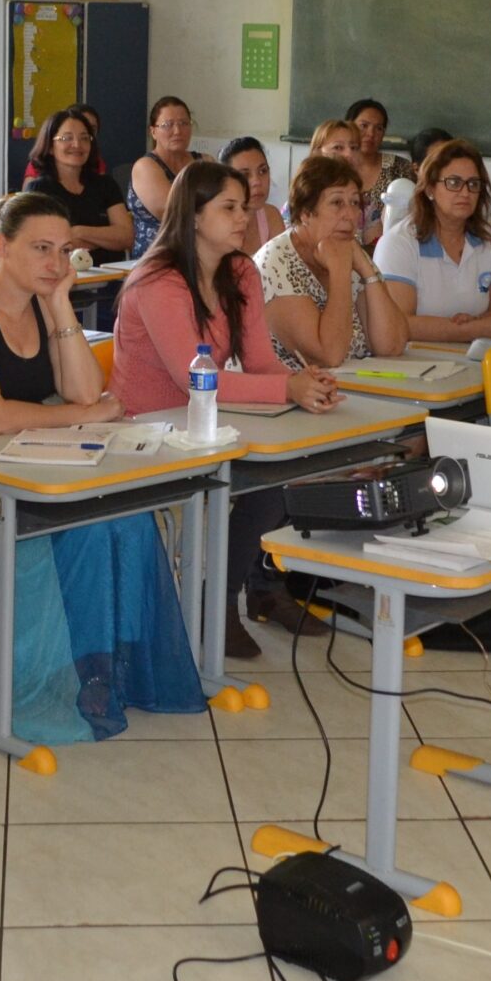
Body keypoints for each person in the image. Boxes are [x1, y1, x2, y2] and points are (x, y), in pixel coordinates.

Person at [0, 193, 202, 742]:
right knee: (64, 539)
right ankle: (50, 677)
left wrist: (62, 303)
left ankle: (105, 671)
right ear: (0, 246)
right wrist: (83, 415)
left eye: (64, 251)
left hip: (31, 462)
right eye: (41, 249)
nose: (56, 263)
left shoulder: (47, 299)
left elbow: (84, 389)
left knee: (125, 521)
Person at [115, 162, 343, 653]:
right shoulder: (157, 280)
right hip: (148, 433)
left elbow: (260, 360)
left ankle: (220, 598)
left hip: (208, 425)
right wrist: (287, 391)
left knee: (272, 483)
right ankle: (210, 605)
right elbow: (194, 378)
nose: (244, 217)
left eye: (246, 206)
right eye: (229, 208)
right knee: (245, 484)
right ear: (193, 216)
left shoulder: (240, 270)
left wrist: (304, 383)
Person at [257, 155, 409, 369]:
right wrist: (340, 271)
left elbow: (391, 345)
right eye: (337, 203)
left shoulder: (348, 250)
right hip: (289, 397)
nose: (350, 215)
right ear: (305, 213)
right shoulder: (275, 262)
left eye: (355, 203)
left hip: (354, 389)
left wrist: (367, 271)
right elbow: (328, 356)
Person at [374, 137, 491, 344]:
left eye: (473, 184)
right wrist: (474, 329)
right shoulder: (399, 242)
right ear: (430, 188)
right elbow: (398, 323)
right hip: (412, 361)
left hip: (475, 356)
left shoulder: (490, 237)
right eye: (454, 183)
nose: (465, 192)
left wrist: (474, 323)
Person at [24, 106, 130, 255]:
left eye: (84, 138)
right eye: (67, 138)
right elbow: (43, 244)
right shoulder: (39, 189)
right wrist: (104, 238)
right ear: (50, 147)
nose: (77, 145)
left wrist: (79, 231)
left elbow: (126, 237)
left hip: (110, 276)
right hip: (60, 276)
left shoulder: (106, 184)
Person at [125, 96, 199, 257]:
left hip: (200, 255)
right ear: (153, 131)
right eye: (168, 125)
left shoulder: (204, 161)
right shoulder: (145, 166)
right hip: (157, 259)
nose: (177, 131)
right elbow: (171, 211)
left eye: (184, 123)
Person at [345, 98, 414, 244]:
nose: (371, 133)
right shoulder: (334, 169)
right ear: (348, 127)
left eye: (379, 128)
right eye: (364, 125)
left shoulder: (400, 167)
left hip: (392, 250)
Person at [219, 137, 286, 255]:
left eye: (262, 171)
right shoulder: (217, 223)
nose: (257, 182)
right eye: (245, 174)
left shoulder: (272, 216)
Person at [376, 124, 452, 227]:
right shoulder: (403, 199)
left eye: (450, 160)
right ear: (417, 169)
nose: (446, 167)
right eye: (436, 162)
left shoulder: (463, 194)